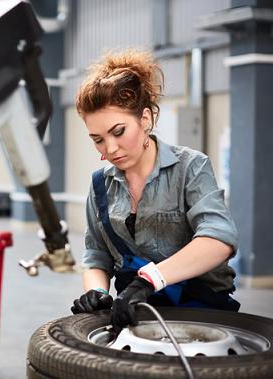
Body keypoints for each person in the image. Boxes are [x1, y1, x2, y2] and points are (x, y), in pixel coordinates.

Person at [70, 48, 240, 334]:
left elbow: (219, 239)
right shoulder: (100, 185)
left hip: (201, 314)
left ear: (145, 119)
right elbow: (96, 255)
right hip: (133, 313)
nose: (110, 149)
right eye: (98, 139)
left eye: (118, 132)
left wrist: (150, 279)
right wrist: (97, 292)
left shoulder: (190, 168)